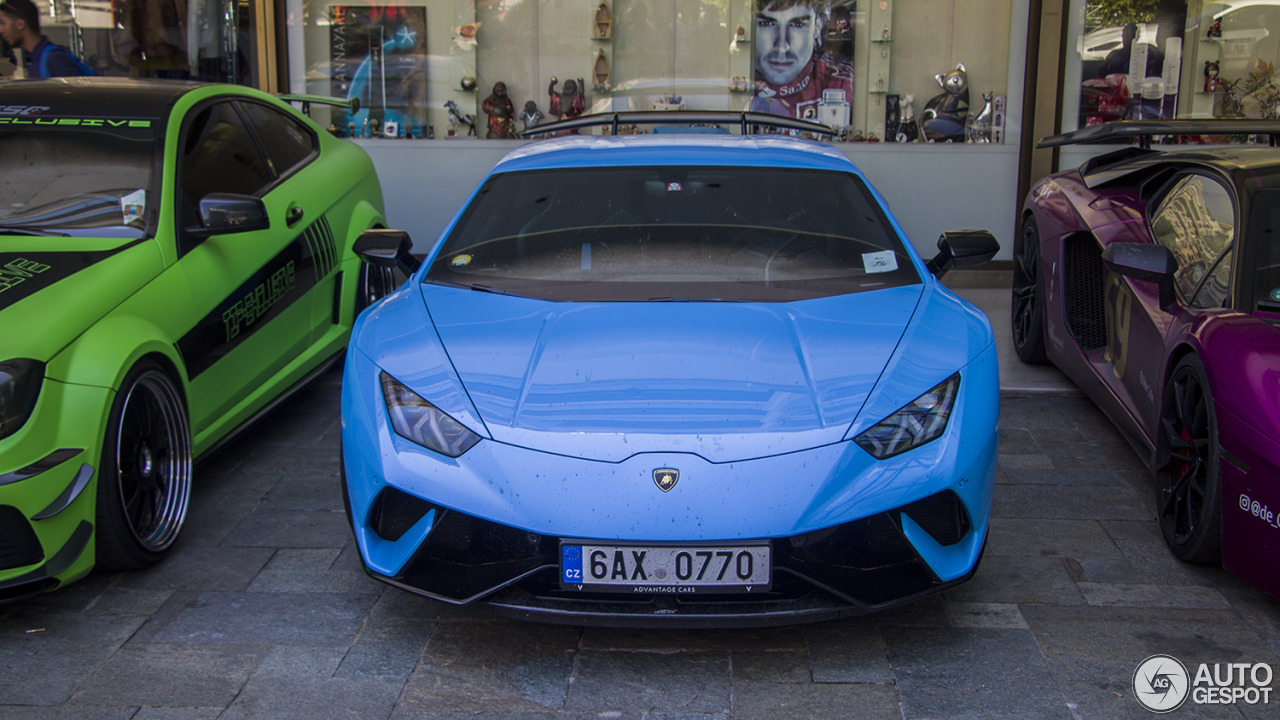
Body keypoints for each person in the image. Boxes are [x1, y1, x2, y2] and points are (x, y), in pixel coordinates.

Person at [750, 0, 852, 121]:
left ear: (817, 27)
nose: (782, 47)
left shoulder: (838, 77)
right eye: (766, 23)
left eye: (798, 24)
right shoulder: (743, 78)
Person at [0, 0, 93, 77]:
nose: (1, 30)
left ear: (20, 24)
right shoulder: (33, 60)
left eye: (2, 23)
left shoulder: (54, 59)